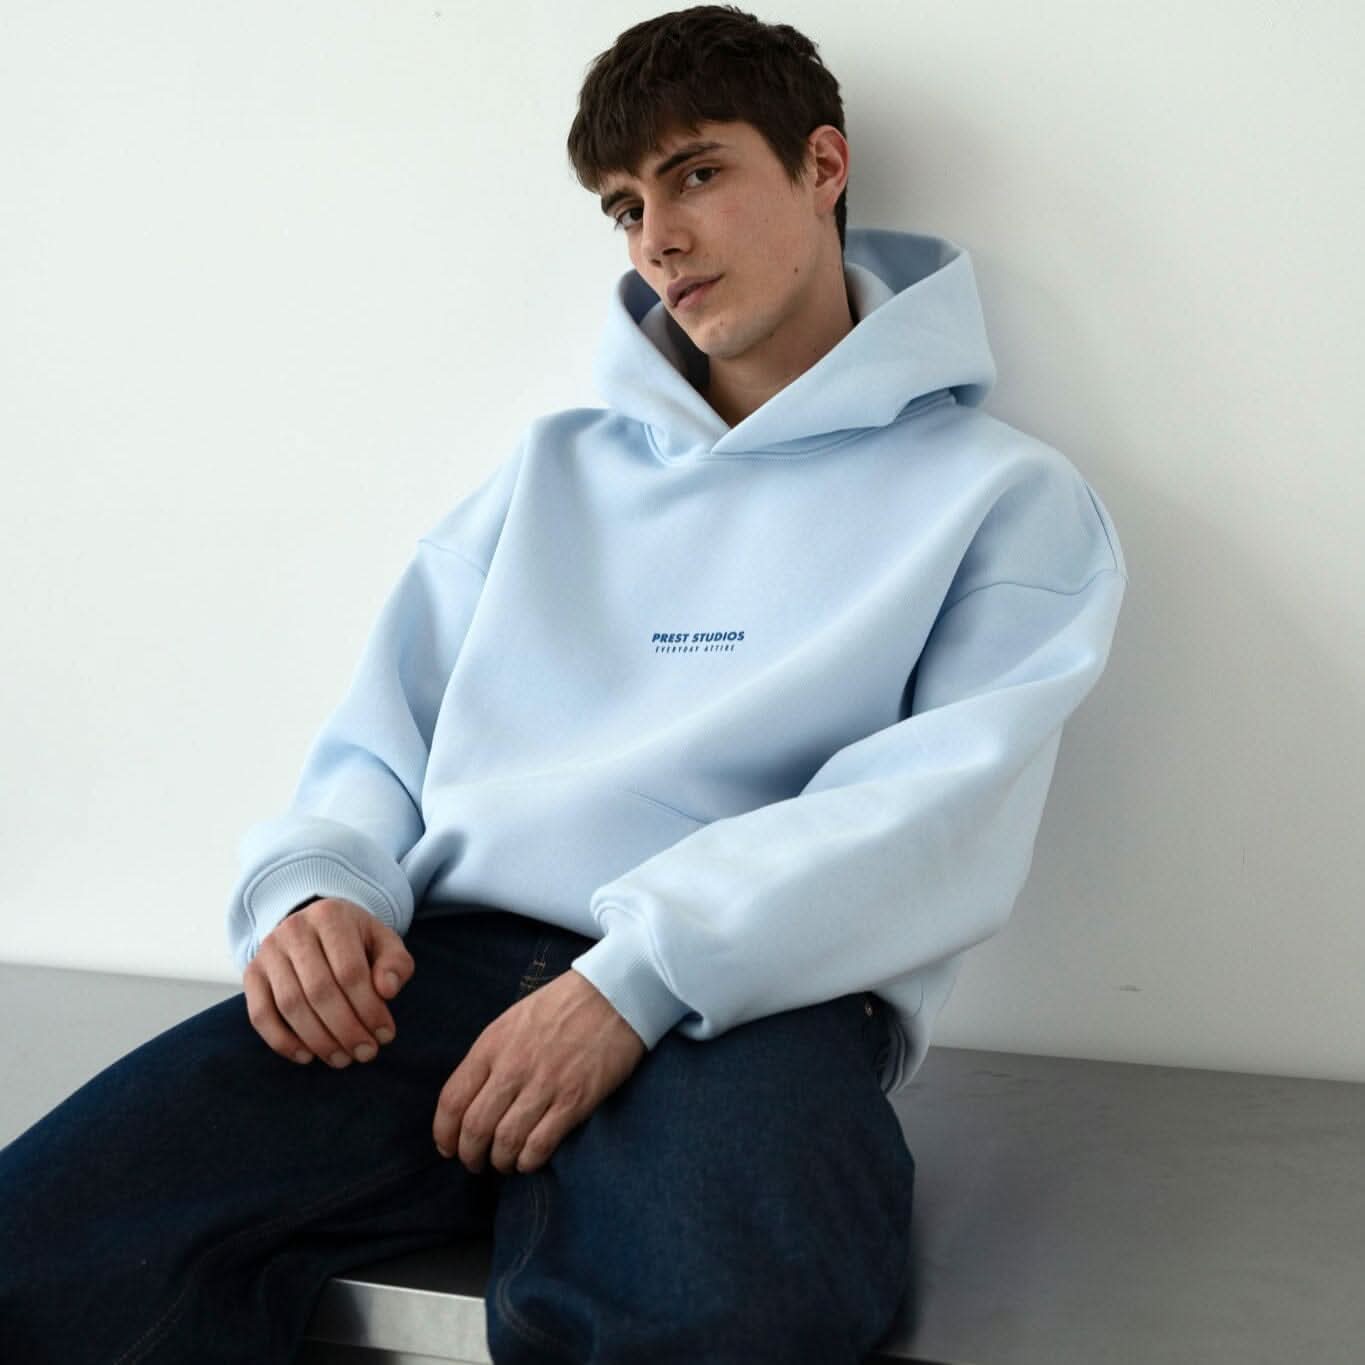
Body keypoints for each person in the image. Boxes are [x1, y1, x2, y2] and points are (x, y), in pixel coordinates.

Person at [0, 5, 1127, 1362]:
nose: (658, 238)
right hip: (441, 968)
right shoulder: (548, 474)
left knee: (720, 1322)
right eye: (625, 206)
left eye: (697, 173)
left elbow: (929, 814)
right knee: (43, 1245)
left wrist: (635, 978)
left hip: (754, 1000)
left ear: (821, 166)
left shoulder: (1003, 500)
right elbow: (386, 732)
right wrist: (317, 885)